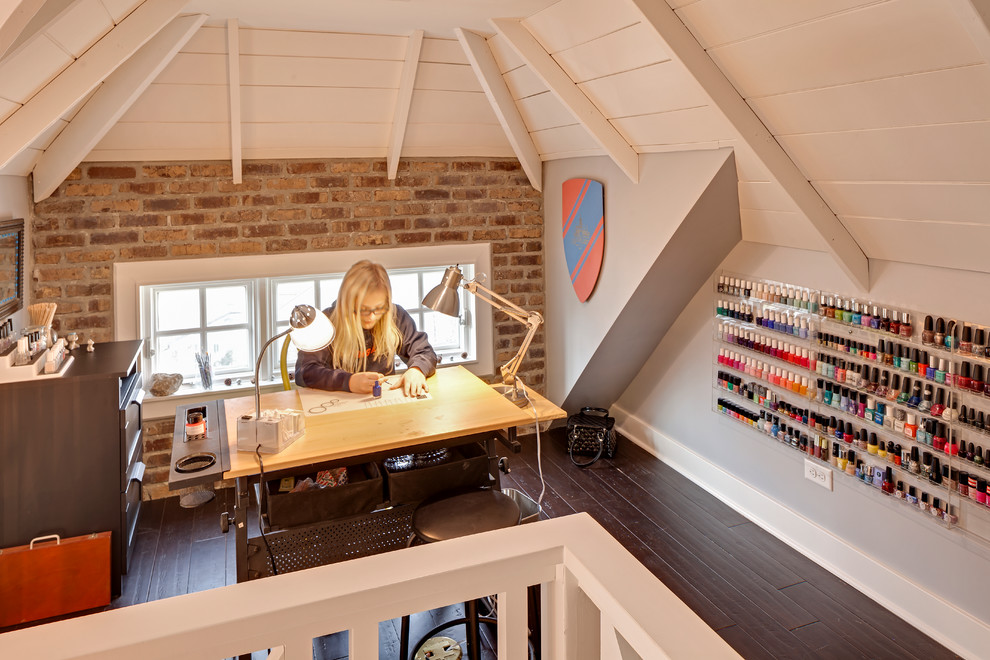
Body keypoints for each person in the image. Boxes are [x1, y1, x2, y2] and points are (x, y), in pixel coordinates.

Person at [295, 260, 438, 396]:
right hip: (338, 406)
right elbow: (304, 372)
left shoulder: (395, 316)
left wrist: (417, 369)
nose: (372, 317)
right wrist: (348, 381)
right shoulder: (326, 324)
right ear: (347, 304)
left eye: (379, 308)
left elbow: (425, 352)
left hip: (382, 402)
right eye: (363, 310)